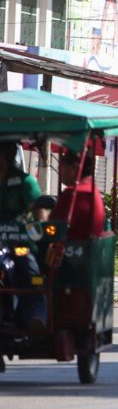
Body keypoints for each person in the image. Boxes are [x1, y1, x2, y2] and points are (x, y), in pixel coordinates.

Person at [0, 142, 44, 331]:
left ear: (9, 154)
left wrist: (35, 233)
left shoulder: (25, 182)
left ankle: (37, 314)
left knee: (31, 272)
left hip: (18, 244)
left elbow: (40, 216)